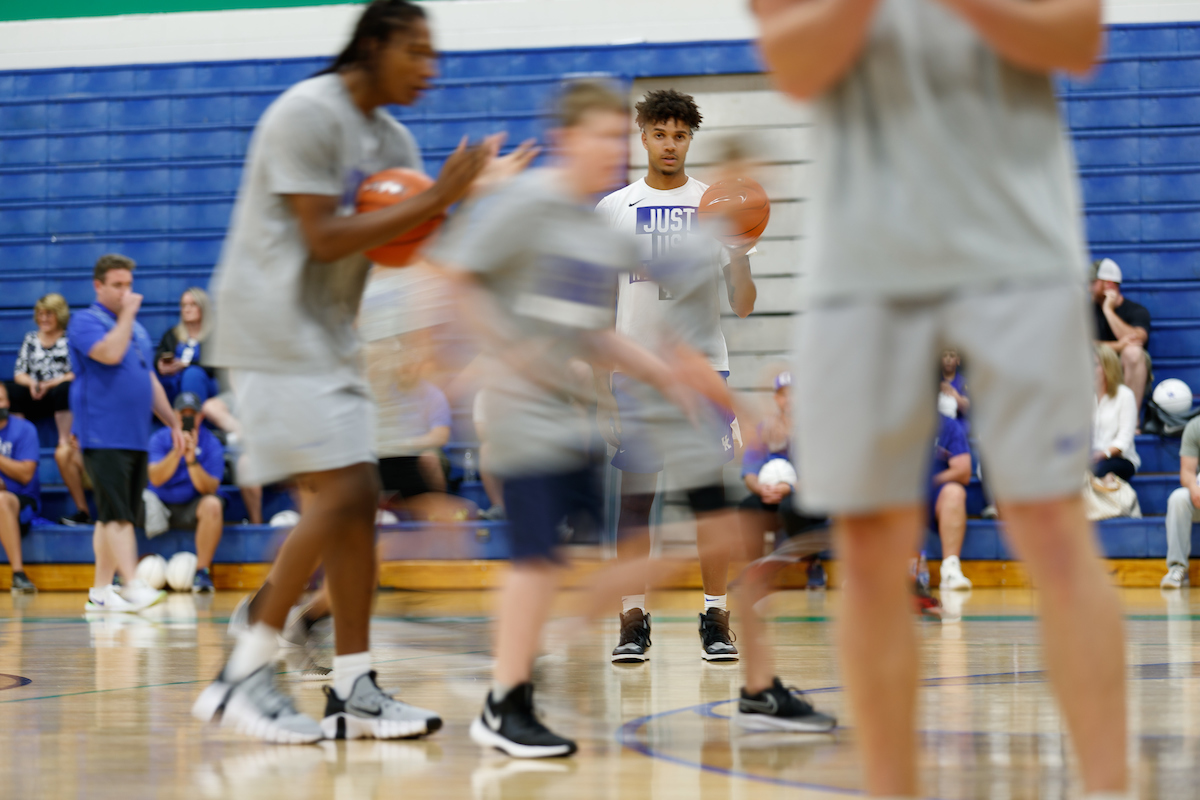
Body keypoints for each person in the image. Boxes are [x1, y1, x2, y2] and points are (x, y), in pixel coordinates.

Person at [753, 1, 1128, 798]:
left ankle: (1109, 785)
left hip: (1019, 251)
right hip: (863, 265)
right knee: (874, 550)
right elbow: (796, 62)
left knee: (1056, 534)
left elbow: (1076, 37)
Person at [432, 79, 772, 757]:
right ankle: (507, 690)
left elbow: (614, 325)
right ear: (569, 139)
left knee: (577, 556)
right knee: (552, 557)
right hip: (535, 410)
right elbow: (456, 285)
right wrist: (500, 360)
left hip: (601, 404)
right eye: (610, 136)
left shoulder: (599, 221)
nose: (623, 148)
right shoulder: (558, 207)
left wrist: (686, 378)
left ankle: (522, 673)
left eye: (623, 137)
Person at [194, 0, 504, 743]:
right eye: (417, 53)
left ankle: (353, 686)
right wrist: (439, 196)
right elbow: (325, 236)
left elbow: (404, 234)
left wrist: (471, 203)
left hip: (330, 332)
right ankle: (244, 666)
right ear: (372, 45)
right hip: (270, 326)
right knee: (346, 491)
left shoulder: (391, 137)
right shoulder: (306, 114)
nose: (430, 70)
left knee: (357, 501)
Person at [594, 88, 757, 662]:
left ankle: (716, 615)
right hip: (636, 374)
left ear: (691, 139)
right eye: (660, 133)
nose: (670, 144)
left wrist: (738, 251)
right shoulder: (613, 209)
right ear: (642, 135)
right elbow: (595, 307)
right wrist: (600, 391)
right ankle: (632, 616)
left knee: (709, 500)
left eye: (680, 135)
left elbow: (742, 304)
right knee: (636, 499)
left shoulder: (713, 205)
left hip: (701, 371)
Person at [69, 254, 178, 613]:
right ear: (98, 285)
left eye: (129, 285)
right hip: (102, 433)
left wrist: (173, 421)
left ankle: (101, 592)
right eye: (117, 285)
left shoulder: (139, 331)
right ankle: (131, 585)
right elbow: (111, 354)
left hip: (135, 436)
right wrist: (128, 315)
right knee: (119, 515)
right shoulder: (85, 321)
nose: (125, 292)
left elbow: (148, 380)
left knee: (110, 516)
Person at [6, 294, 90, 525]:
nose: (44, 318)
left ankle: (64, 439)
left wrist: (51, 383)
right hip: (35, 394)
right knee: (13, 390)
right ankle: (16, 436)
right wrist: (31, 383)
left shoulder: (69, 339)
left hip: (57, 392)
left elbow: (76, 371)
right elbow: (19, 372)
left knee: (65, 388)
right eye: (41, 314)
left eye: (49, 314)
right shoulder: (31, 339)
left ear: (59, 315)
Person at [146, 392, 225, 592]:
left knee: (213, 504)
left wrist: (191, 459)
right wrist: (177, 451)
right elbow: (155, 478)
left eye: (193, 414)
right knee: (125, 500)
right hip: (159, 502)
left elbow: (210, 488)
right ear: (174, 415)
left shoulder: (212, 444)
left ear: (200, 417)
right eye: (183, 414)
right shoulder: (159, 438)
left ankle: (202, 573)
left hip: (192, 504)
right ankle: (124, 573)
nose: (187, 418)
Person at [1092, 258, 1151, 414]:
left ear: (1108, 284)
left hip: (1126, 368)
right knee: (1092, 358)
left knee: (1133, 352)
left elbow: (1137, 339)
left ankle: (1129, 419)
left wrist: (1108, 311)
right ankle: (1099, 421)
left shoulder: (1136, 310)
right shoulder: (1086, 311)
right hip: (1098, 366)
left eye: (1093, 283)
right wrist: (1118, 346)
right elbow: (1078, 345)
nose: (1088, 288)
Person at [0, 383, 40, 593]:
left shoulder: (24, 429)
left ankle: (18, 574)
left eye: (0, 399)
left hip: (21, 500)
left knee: (1, 499)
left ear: (8, 402)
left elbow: (26, 475)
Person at [930, 413, 972, 591]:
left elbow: (963, 470)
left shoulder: (947, 425)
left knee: (954, 493)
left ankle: (950, 569)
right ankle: (868, 574)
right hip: (896, 493)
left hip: (933, 494)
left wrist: (928, 481)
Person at [155, 288, 220, 406]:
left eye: (193, 305)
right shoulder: (172, 334)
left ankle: (192, 421)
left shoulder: (214, 336)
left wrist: (185, 365)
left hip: (204, 384)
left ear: (203, 308)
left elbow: (216, 366)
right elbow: (160, 353)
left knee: (192, 374)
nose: (187, 309)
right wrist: (160, 364)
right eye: (184, 305)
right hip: (175, 383)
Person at [1161, 415, 1200, 589]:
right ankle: (1177, 569)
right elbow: (1186, 472)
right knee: (1178, 498)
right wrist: (1194, 489)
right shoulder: (1196, 426)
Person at [1092, 343, 1140, 482]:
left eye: (1095, 365)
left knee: (1100, 469)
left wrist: (1103, 453)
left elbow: (1124, 439)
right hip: (1091, 457)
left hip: (1119, 458)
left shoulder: (1125, 395)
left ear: (1108, 367)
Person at [938, 348, 969, 426]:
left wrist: (954, 395)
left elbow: (968, 408)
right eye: (945, 355)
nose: (948, 359)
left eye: (951, 356)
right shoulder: (935, 380)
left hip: (958, 426)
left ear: (958, 360)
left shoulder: (962, 382)